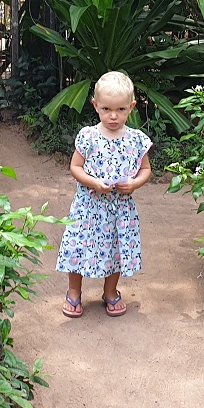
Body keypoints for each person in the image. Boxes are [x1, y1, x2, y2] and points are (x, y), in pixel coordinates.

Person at [57, 70, 152, 318]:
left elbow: (146, 170)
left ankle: (110, 292)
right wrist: (93, 183)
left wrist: (134, 184)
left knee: (116, 250)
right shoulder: (88, 136)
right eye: (107, 109)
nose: (113, 115)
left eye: (121, 109)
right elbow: (75, 167)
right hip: (88, 207)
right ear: (95, 105)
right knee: (78, 247)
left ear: (131, 107)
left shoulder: (136, 140)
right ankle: (74, 292)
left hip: (120, 210)